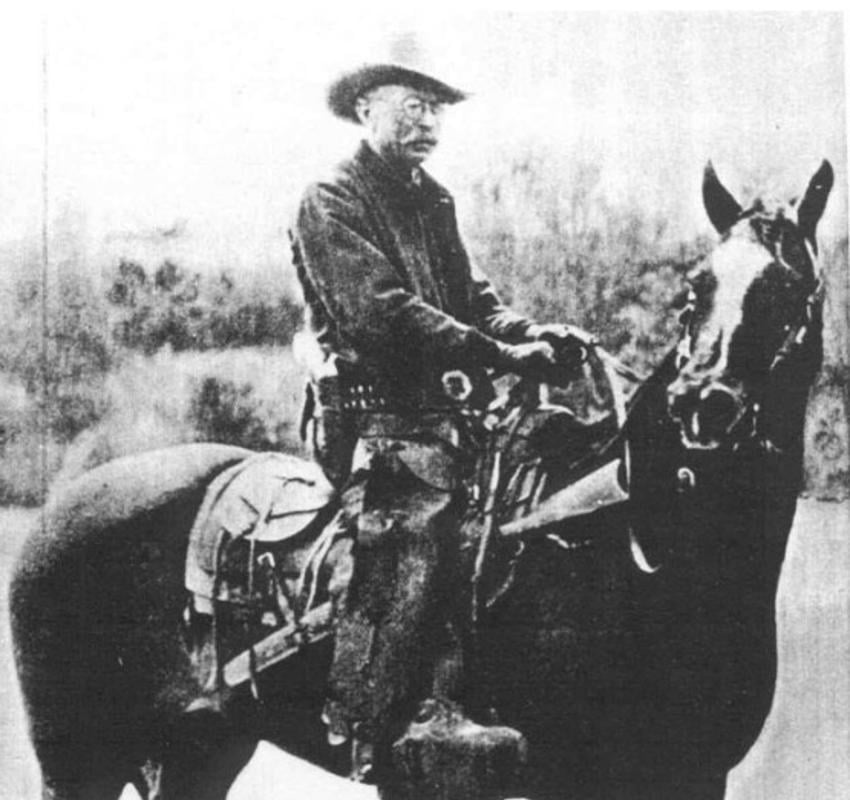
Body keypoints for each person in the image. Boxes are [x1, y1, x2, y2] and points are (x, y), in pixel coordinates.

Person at [290, 57, 588, 781]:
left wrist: (532, 335)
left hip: (449, 416)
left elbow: (472, 294)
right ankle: (384, 718)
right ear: (366, 108)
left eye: (437, 108)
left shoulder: (434, 201)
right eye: (413, 106)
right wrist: (497, 353)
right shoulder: (331, 198)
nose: (428, 122)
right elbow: (382, 314)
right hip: (378, 423)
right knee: (421, 521)